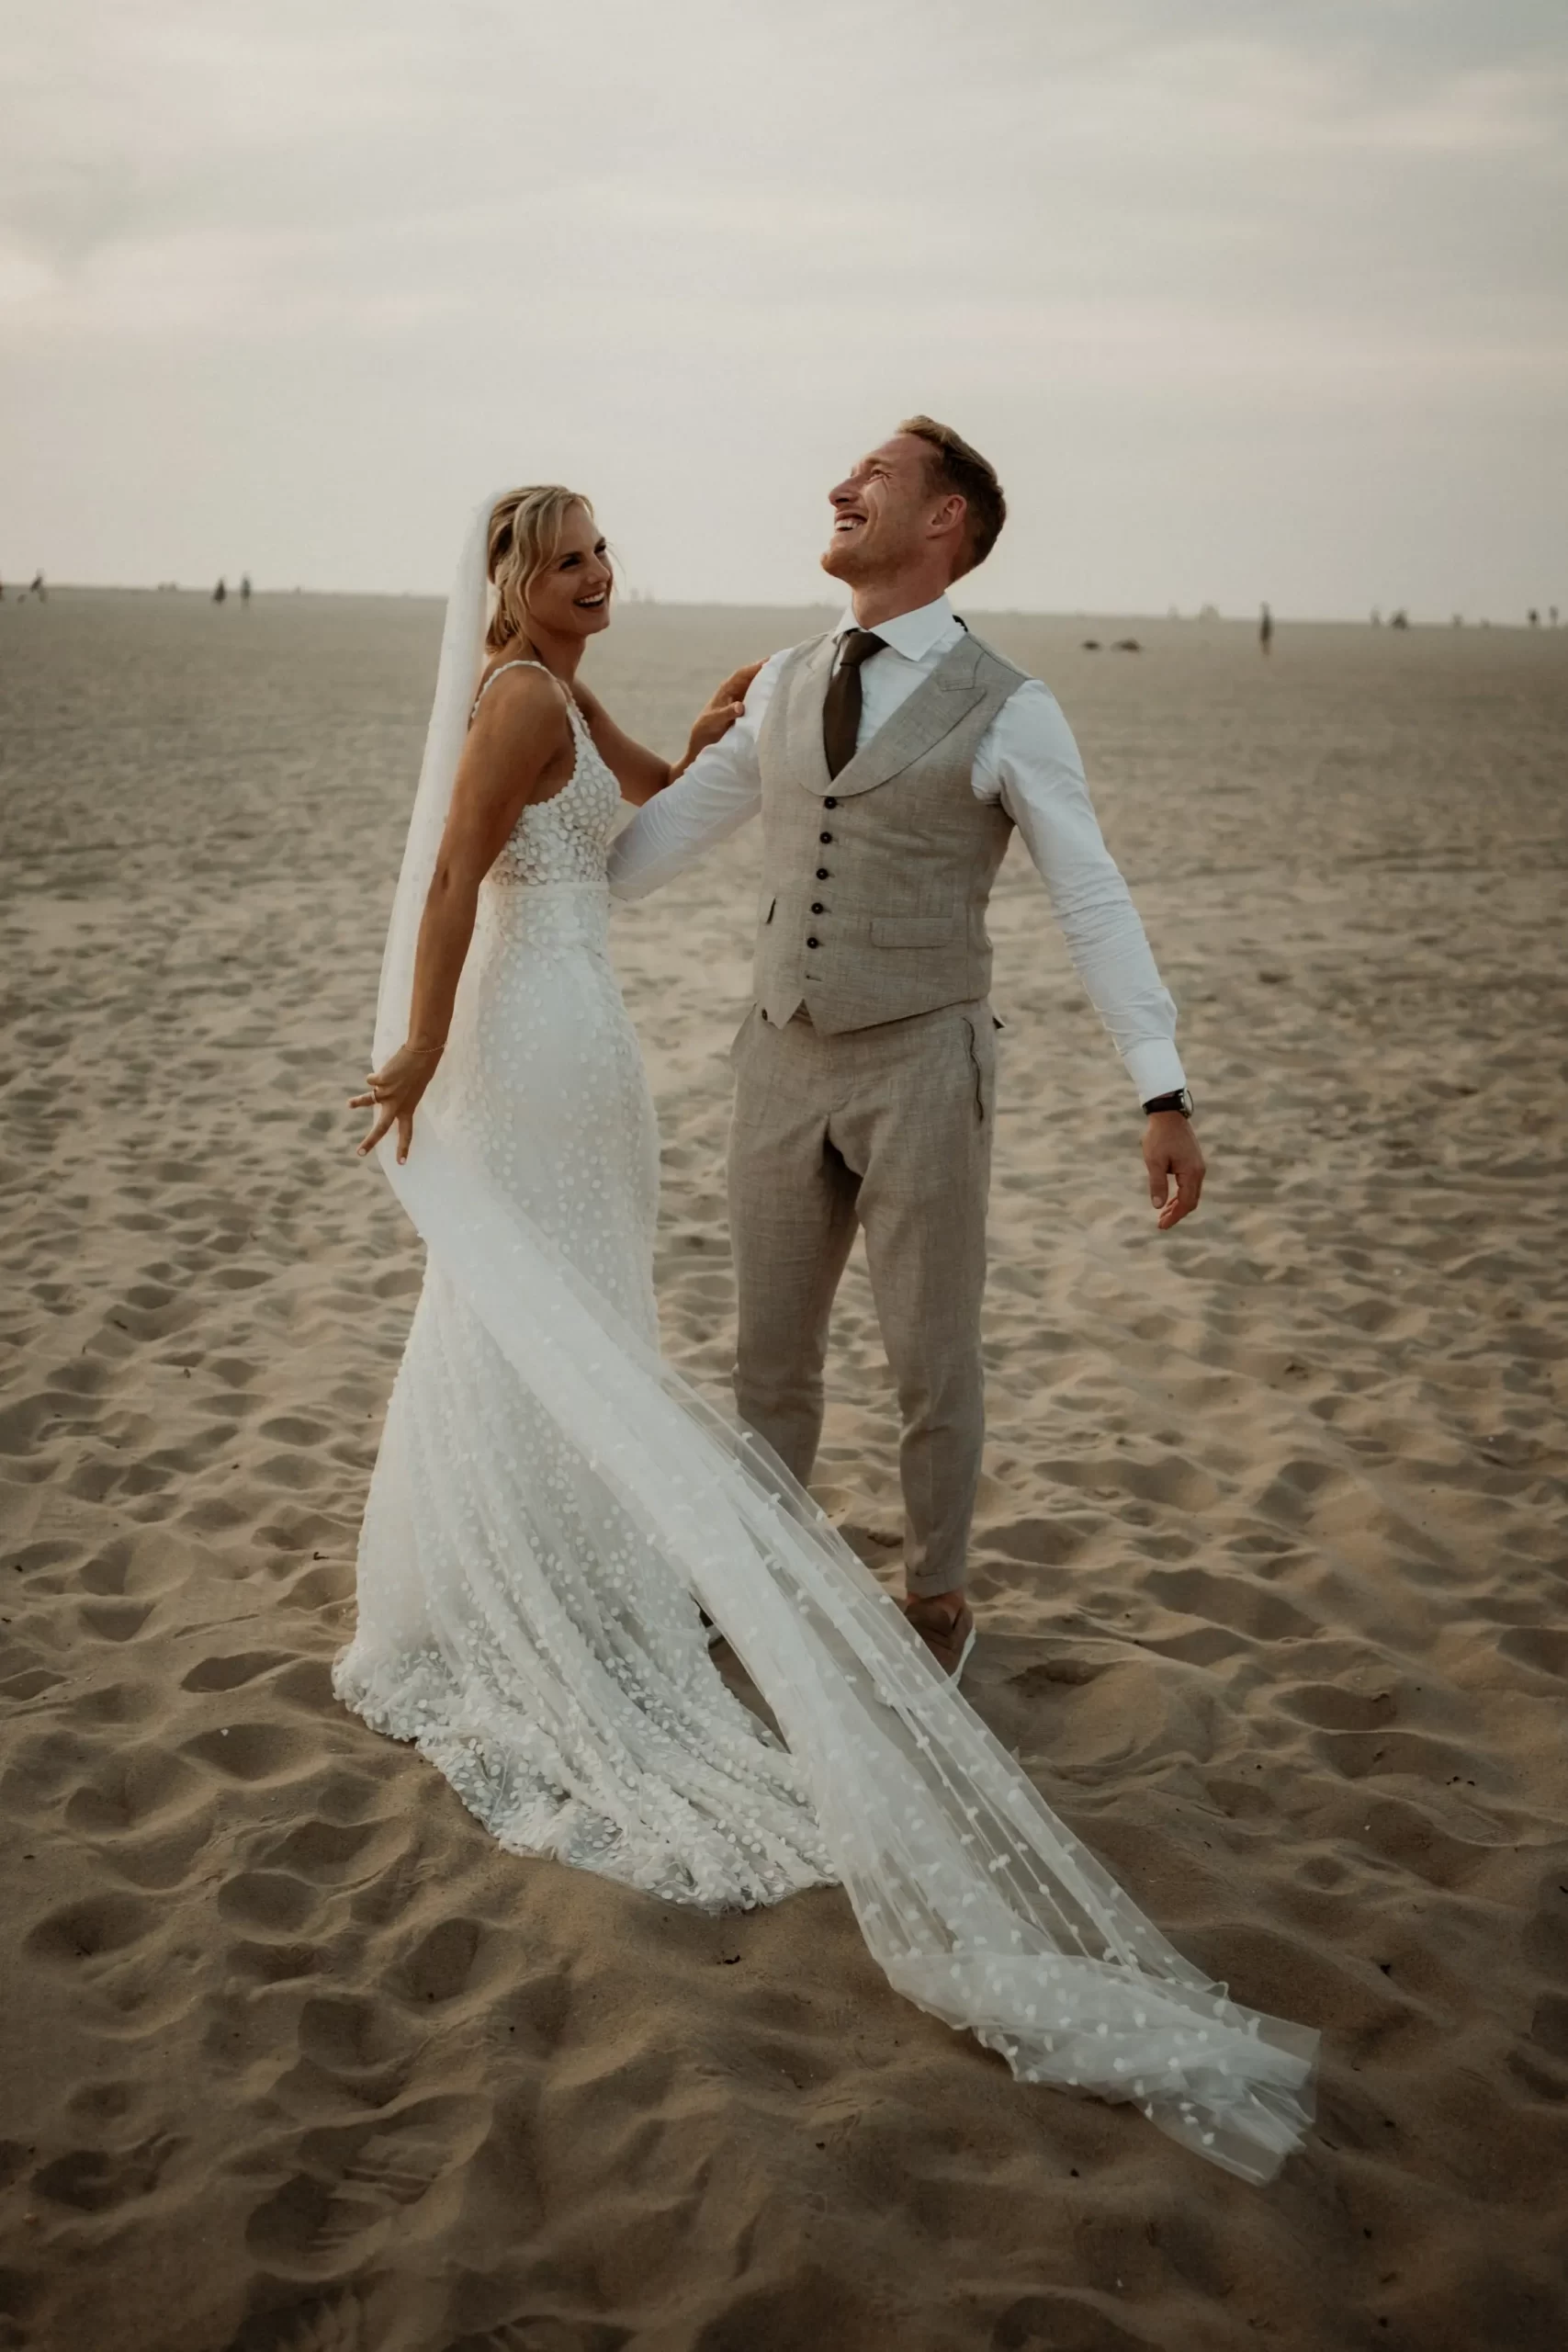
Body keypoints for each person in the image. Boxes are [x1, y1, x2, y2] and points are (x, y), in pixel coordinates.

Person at [338, 477, 1314, 2183]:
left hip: (763, 1049)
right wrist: (442, 1024)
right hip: (649, 1046)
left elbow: (675, 803)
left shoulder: (946, 704)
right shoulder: (638, 691)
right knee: (651, 1343)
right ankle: (660, 1587)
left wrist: (1160, 1082)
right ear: (517, 578)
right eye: (575, 561)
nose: (601, 579)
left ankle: (880, 1589)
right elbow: (544, 862)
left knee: (783, 1340)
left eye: (602, 557)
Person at [609, 421, 1203, 1681]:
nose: (841, 486)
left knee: (930, 1353)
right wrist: (531, 896)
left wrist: (1160, 1088)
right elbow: (662, 840)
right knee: (768, 1354)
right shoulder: (780, 680)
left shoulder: (1010, 708)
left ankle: (935, 1590)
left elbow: (1089, 896)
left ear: (945, 523)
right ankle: (755, 1571)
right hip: (777, 1054)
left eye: (873, 476)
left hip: (925, 1061)